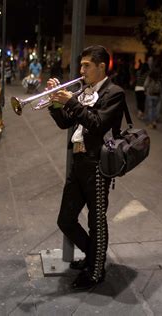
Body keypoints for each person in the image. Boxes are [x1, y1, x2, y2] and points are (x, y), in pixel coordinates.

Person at [47, 45, 124, 290]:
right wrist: (55, 103)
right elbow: (65, 123)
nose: (81, 70)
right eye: (81, 65)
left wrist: (72, 101)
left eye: (86, 65)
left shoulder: (114, 93)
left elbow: (98, 124)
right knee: (65, 220)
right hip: (79, 162)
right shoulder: (85, 91)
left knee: (96, 221)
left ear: (102, 66)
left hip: (98, 165)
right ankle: (93, 257)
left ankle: (96, 272)